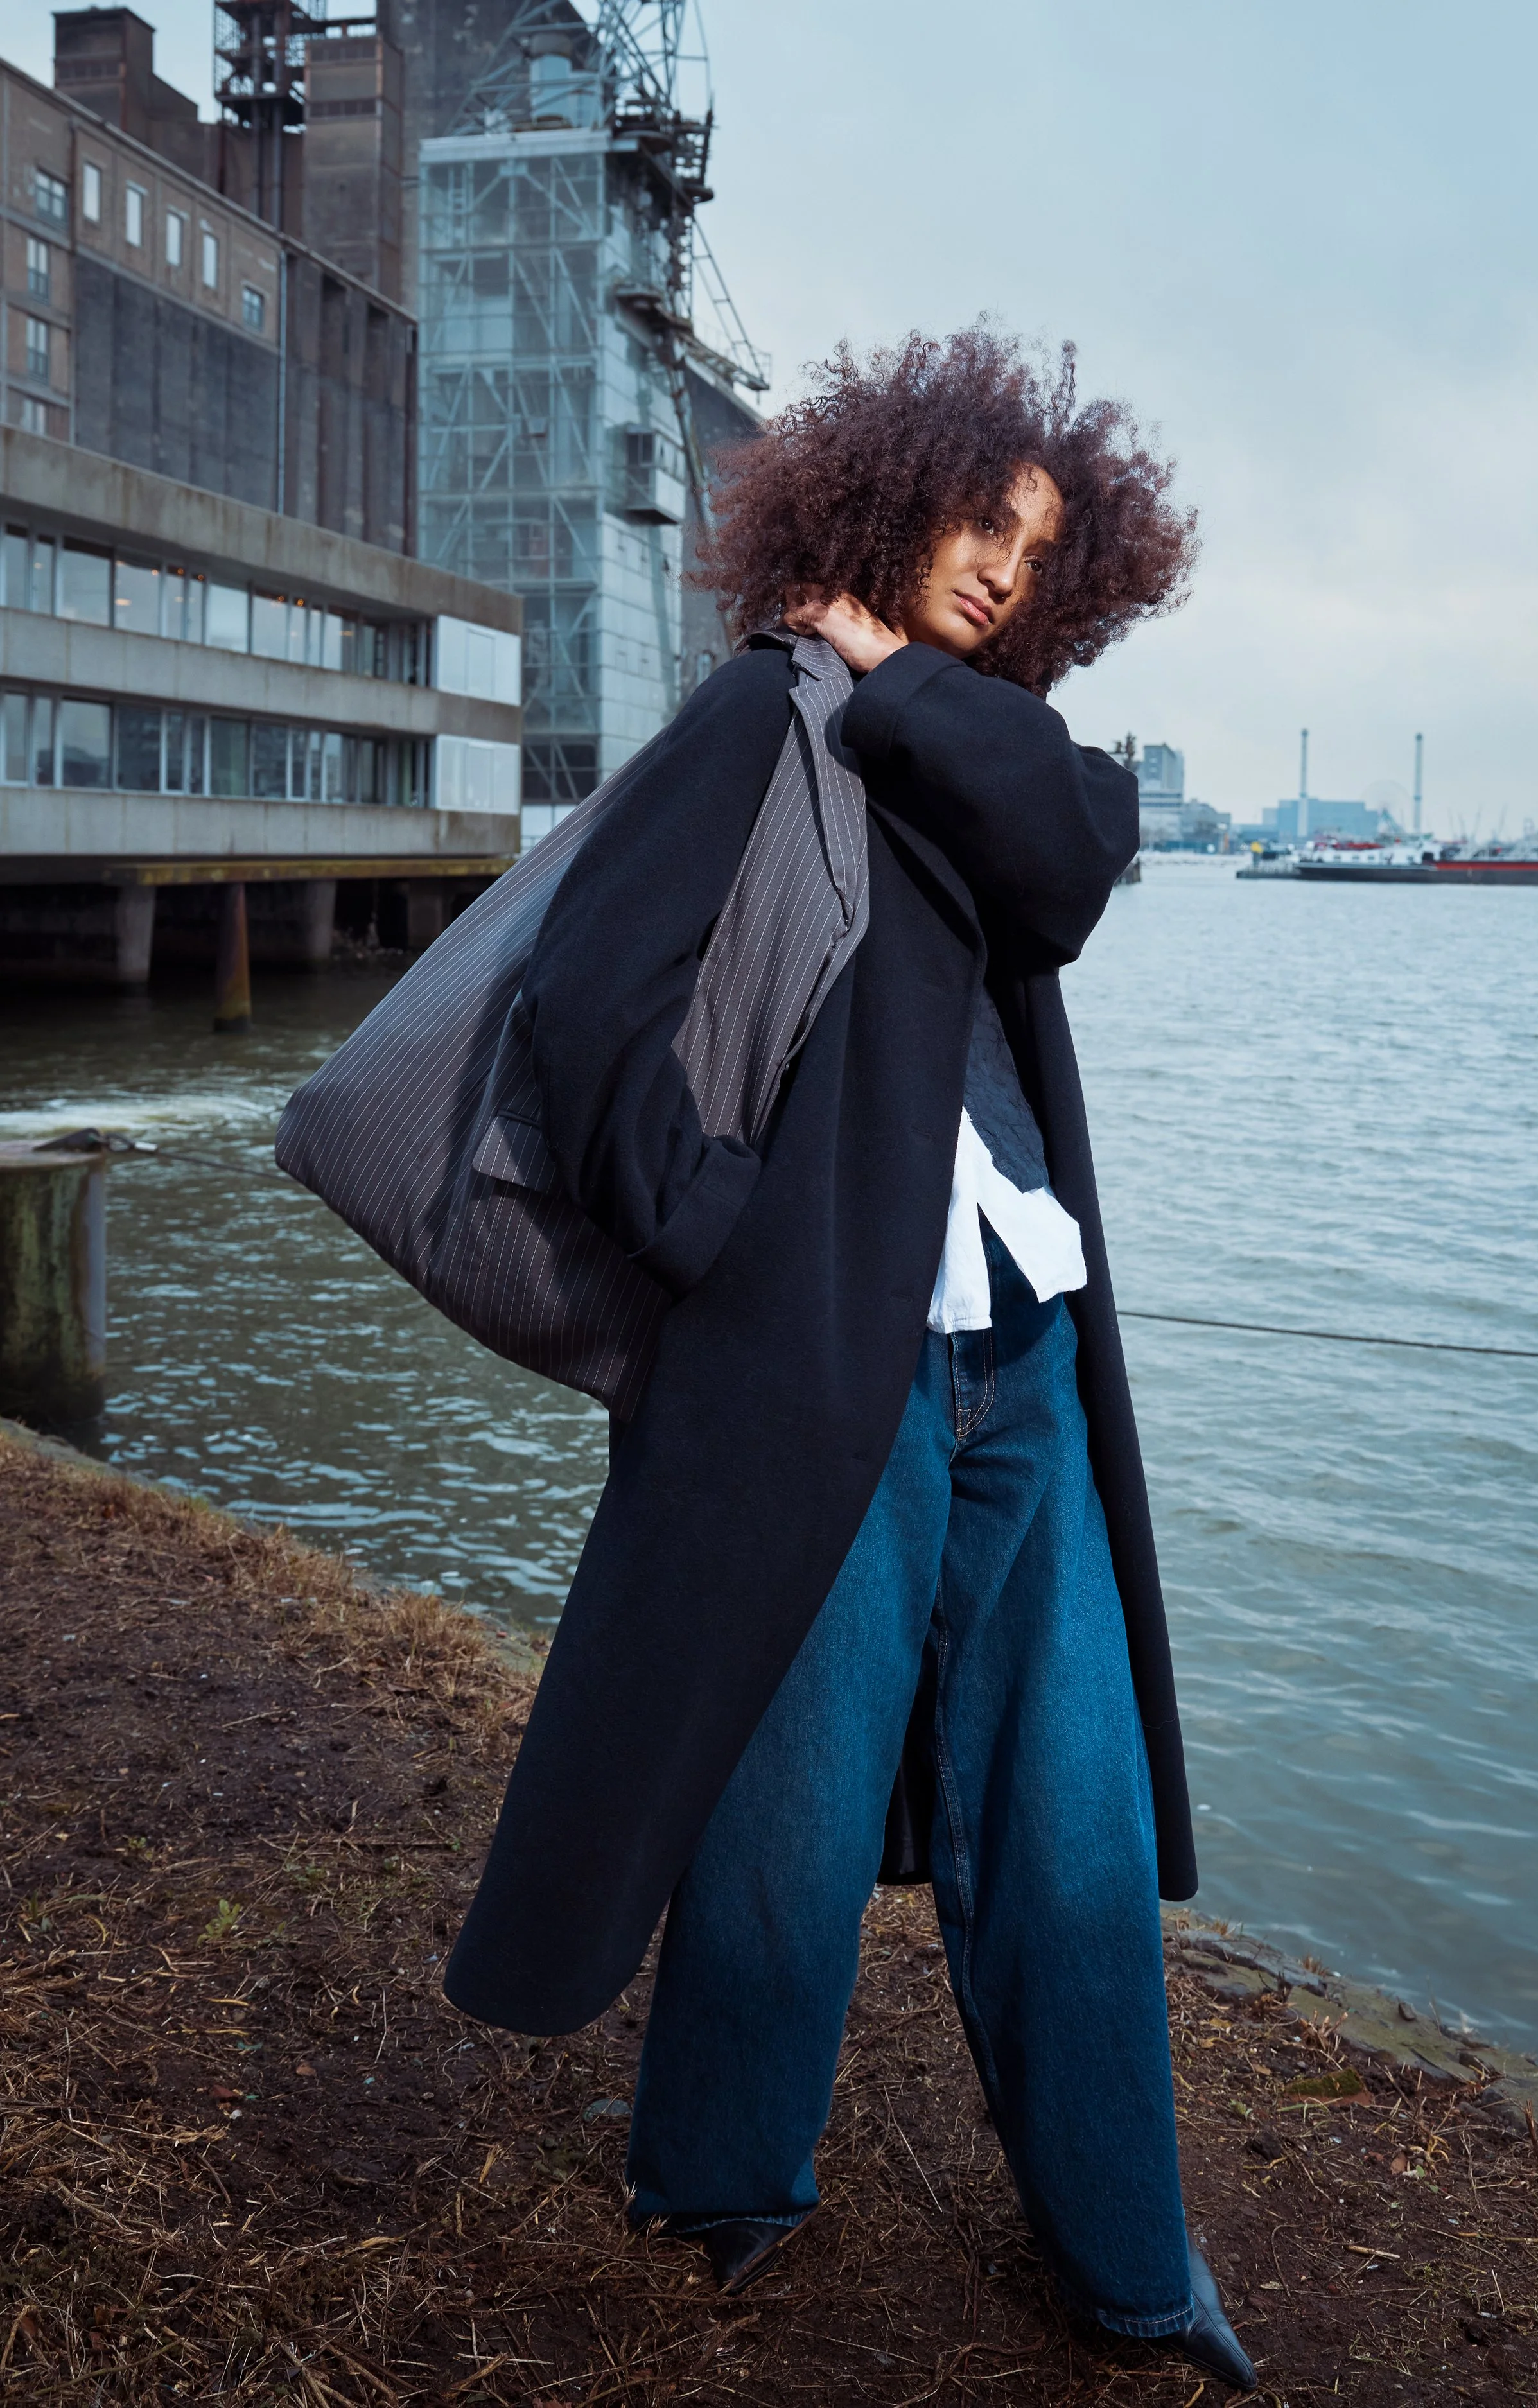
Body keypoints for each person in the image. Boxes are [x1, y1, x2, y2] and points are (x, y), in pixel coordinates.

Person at [444, 329, 1256, 2392]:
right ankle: (720, 2180)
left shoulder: (961, 736)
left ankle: (1135, 2262)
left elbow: (1078, 854)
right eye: (972, 521)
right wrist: (726, 1241)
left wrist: (898, 677)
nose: (995, 567)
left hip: (1027, 1358)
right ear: (881, 496)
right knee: (786, 1807)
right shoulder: (750, 722)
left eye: (1031, 545)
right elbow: (583, 1014)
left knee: (1067, 1814)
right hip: (826, 1375)